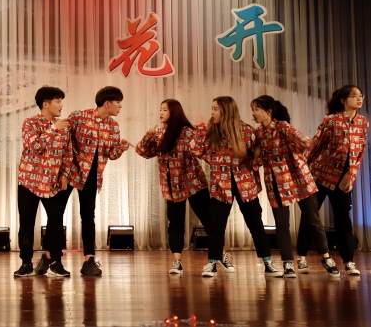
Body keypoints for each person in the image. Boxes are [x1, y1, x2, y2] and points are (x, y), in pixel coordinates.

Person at [191, 96, 283, 278]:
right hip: (221, 185)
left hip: (245, 184)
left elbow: (257, 154)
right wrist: (201, 134)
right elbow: (198, 151)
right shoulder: (211, 131)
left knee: (255, 224)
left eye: (215, 109)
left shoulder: (246, 131)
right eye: (212, 109)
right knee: (216, 226)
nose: (212, 112)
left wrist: (254, 162)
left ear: (226, 111)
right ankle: (212, 263)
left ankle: (268, 263)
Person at [136, 99, 230, 274]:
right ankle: (177, 262)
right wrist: (148, 135)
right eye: (160, 109)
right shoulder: (158, 133)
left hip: (194, 183)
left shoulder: (188, 132)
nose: (161, 113)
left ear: (174, 112)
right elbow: (142, 151)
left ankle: (222, 254)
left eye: (165, 110)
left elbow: (201, 151)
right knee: (175, 223)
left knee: (209, 221)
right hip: (172, 186)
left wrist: (201, 132)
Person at [251, 95, 339, 278]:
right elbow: (257, 157)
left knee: (313, 220)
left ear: (268, 111)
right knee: (281, 224)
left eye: (257, 109)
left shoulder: (283, 127)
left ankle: (326, 257)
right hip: (275, 181)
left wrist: (302, 147)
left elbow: (304, 141)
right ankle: (288, 263)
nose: (254, 113)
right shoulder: (258, 133)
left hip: (298, 177)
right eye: (253, 109)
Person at [296, 85, 368, 276]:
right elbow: (315, 146)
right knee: (310, 216)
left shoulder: (363, 122)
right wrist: (304, 171)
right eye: (354, 96)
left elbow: (360, 152)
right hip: (320, 175)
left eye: (361, 96)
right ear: (343, 100)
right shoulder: (331, 121)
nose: (359, 99)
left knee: (343, 219)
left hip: (343, 178)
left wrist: (351, 175)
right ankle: (301, 257)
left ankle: (349, 261)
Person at [62, 86, 131, 276]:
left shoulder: (113, 126)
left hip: (92, 176)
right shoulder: (79, 116)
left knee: (88, 216)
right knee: (56, 214)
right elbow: (63, 140)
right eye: (118, 102)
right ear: (107, 103)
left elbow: (111, 154)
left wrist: (121, 148)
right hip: (70, 172)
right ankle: (52, 258)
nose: (120, 106)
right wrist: (62, 170)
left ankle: (89, 259)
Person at [13, 86, 72, 278]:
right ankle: (26, 263)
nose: (61, 105)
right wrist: (53, 129)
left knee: (56, 222)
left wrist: (64, 174)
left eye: (61, 101)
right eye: (57, 101)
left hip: (53, 182)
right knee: (26, 223)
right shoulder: (30, 123)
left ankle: (56, 263)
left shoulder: (64, 126)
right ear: (45, 104)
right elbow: (34, 146)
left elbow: (68, 153)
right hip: (29, 180)